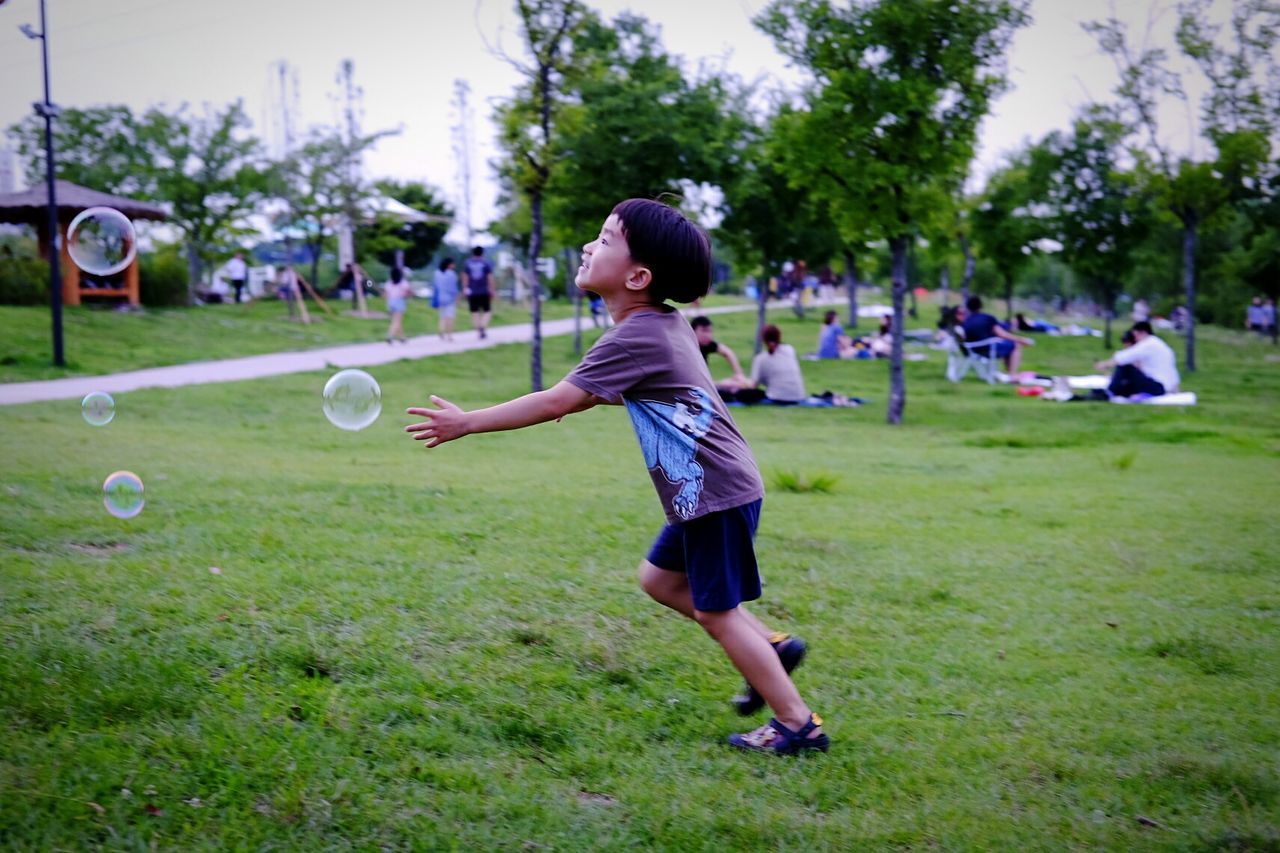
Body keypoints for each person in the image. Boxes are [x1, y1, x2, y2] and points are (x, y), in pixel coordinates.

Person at [405, 199, 827, 755]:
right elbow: (651, 392)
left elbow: (558, 401)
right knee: (660, 581)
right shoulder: (662, 323)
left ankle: (798, 723)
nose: (588, 246)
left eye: (604, 240)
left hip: (713, 492)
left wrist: (468, 423)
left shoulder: (634, 337)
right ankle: (772, 646)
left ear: (638, 276)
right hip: (712, 488)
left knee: (715, 613)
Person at [1095, 321, 1180, 398]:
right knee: (1124, 387)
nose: (1135, 339)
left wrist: (1104, 364)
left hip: (1157, 386)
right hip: (1162, 387)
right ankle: (1110, 392)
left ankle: (1109, 392)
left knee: (1125, 366)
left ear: (1143, 333)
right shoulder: (1160, 345)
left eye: (1136, 336)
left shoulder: (1148, 344)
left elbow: (1124, 358)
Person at [961, 296, 1033, 376]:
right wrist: (1020, 340)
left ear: (968, 307)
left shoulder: (966, 320)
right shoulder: (987, 318)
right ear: (981, 306)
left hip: (973, 350)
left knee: (1007, 345)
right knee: (1014, 345)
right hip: (987, 349)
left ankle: (1009, 373)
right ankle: (1013, 374)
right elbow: (1002, 334)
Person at [690, 315, 752, 396]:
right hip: (694, 388)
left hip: (705, 386)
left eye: (710, 331)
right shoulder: (689, 348)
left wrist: (739, 373)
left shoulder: (706, 345)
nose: (708, 335)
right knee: (733, 385)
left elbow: (728, 352)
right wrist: (722, 384)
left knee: (740, 384)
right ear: (693, 331)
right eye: (704, 331)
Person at [750, 324, 807, 404]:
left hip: (778, 397)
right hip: (799, 396)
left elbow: (753, 385)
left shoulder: (761, 359)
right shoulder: (790, 350)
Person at [462, 246, 494, 339]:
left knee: (474, 311)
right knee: (487, 311)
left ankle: (478, 329)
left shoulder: (468, 263)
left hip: (472, 291)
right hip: (484, 291)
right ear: (482, 253)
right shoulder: (486, 263)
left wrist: (465, 288)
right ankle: (483, 326)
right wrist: (492, 289)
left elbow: (465, 277)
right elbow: (490, 278)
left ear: (473, 253)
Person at [432, 258, 460, 342]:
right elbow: (454, 288)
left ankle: (441, 331)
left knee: (442, 316)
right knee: (450, 317)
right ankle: (449, 335)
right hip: (450, 298)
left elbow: (435, 286)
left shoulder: (437, 273)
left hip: (440, 297)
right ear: (449, 265)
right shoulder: (452, 274)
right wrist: (457, 298)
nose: (454, 265)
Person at [383, 266, 412, 343]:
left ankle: (402, 338)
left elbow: (385, 294)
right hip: (399, 301)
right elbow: (408, 292)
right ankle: (389, 336)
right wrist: (409, 295)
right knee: (397, 321)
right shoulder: (403, 282)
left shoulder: (388, 283)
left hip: (390, 302)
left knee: (396, 321)